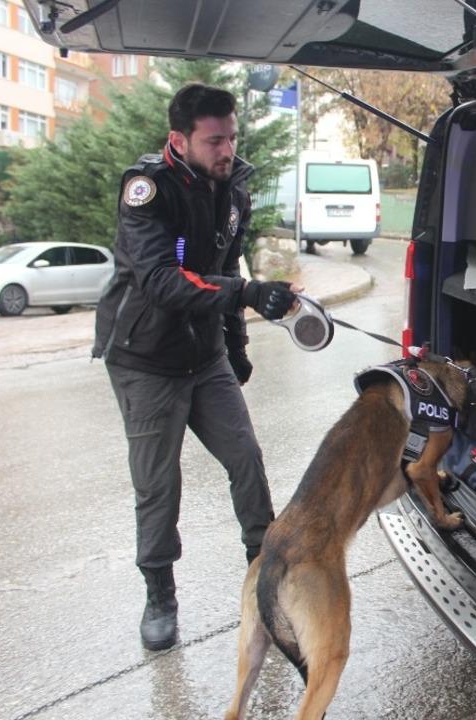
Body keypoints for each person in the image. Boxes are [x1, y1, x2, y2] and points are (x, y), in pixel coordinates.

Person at [93, 83, 298, 651]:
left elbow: (225, 262)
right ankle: (160, 594)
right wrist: (249, 294)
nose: (227, 149)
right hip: (145, 359)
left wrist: (235, 348)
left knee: (247, 459)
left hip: (203, 356)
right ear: (178, 140)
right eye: (215, 140)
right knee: (159, 485)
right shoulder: (146, 191)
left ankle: (266, 578)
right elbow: (162, 280)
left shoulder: (233, 190)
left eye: (232, 136)